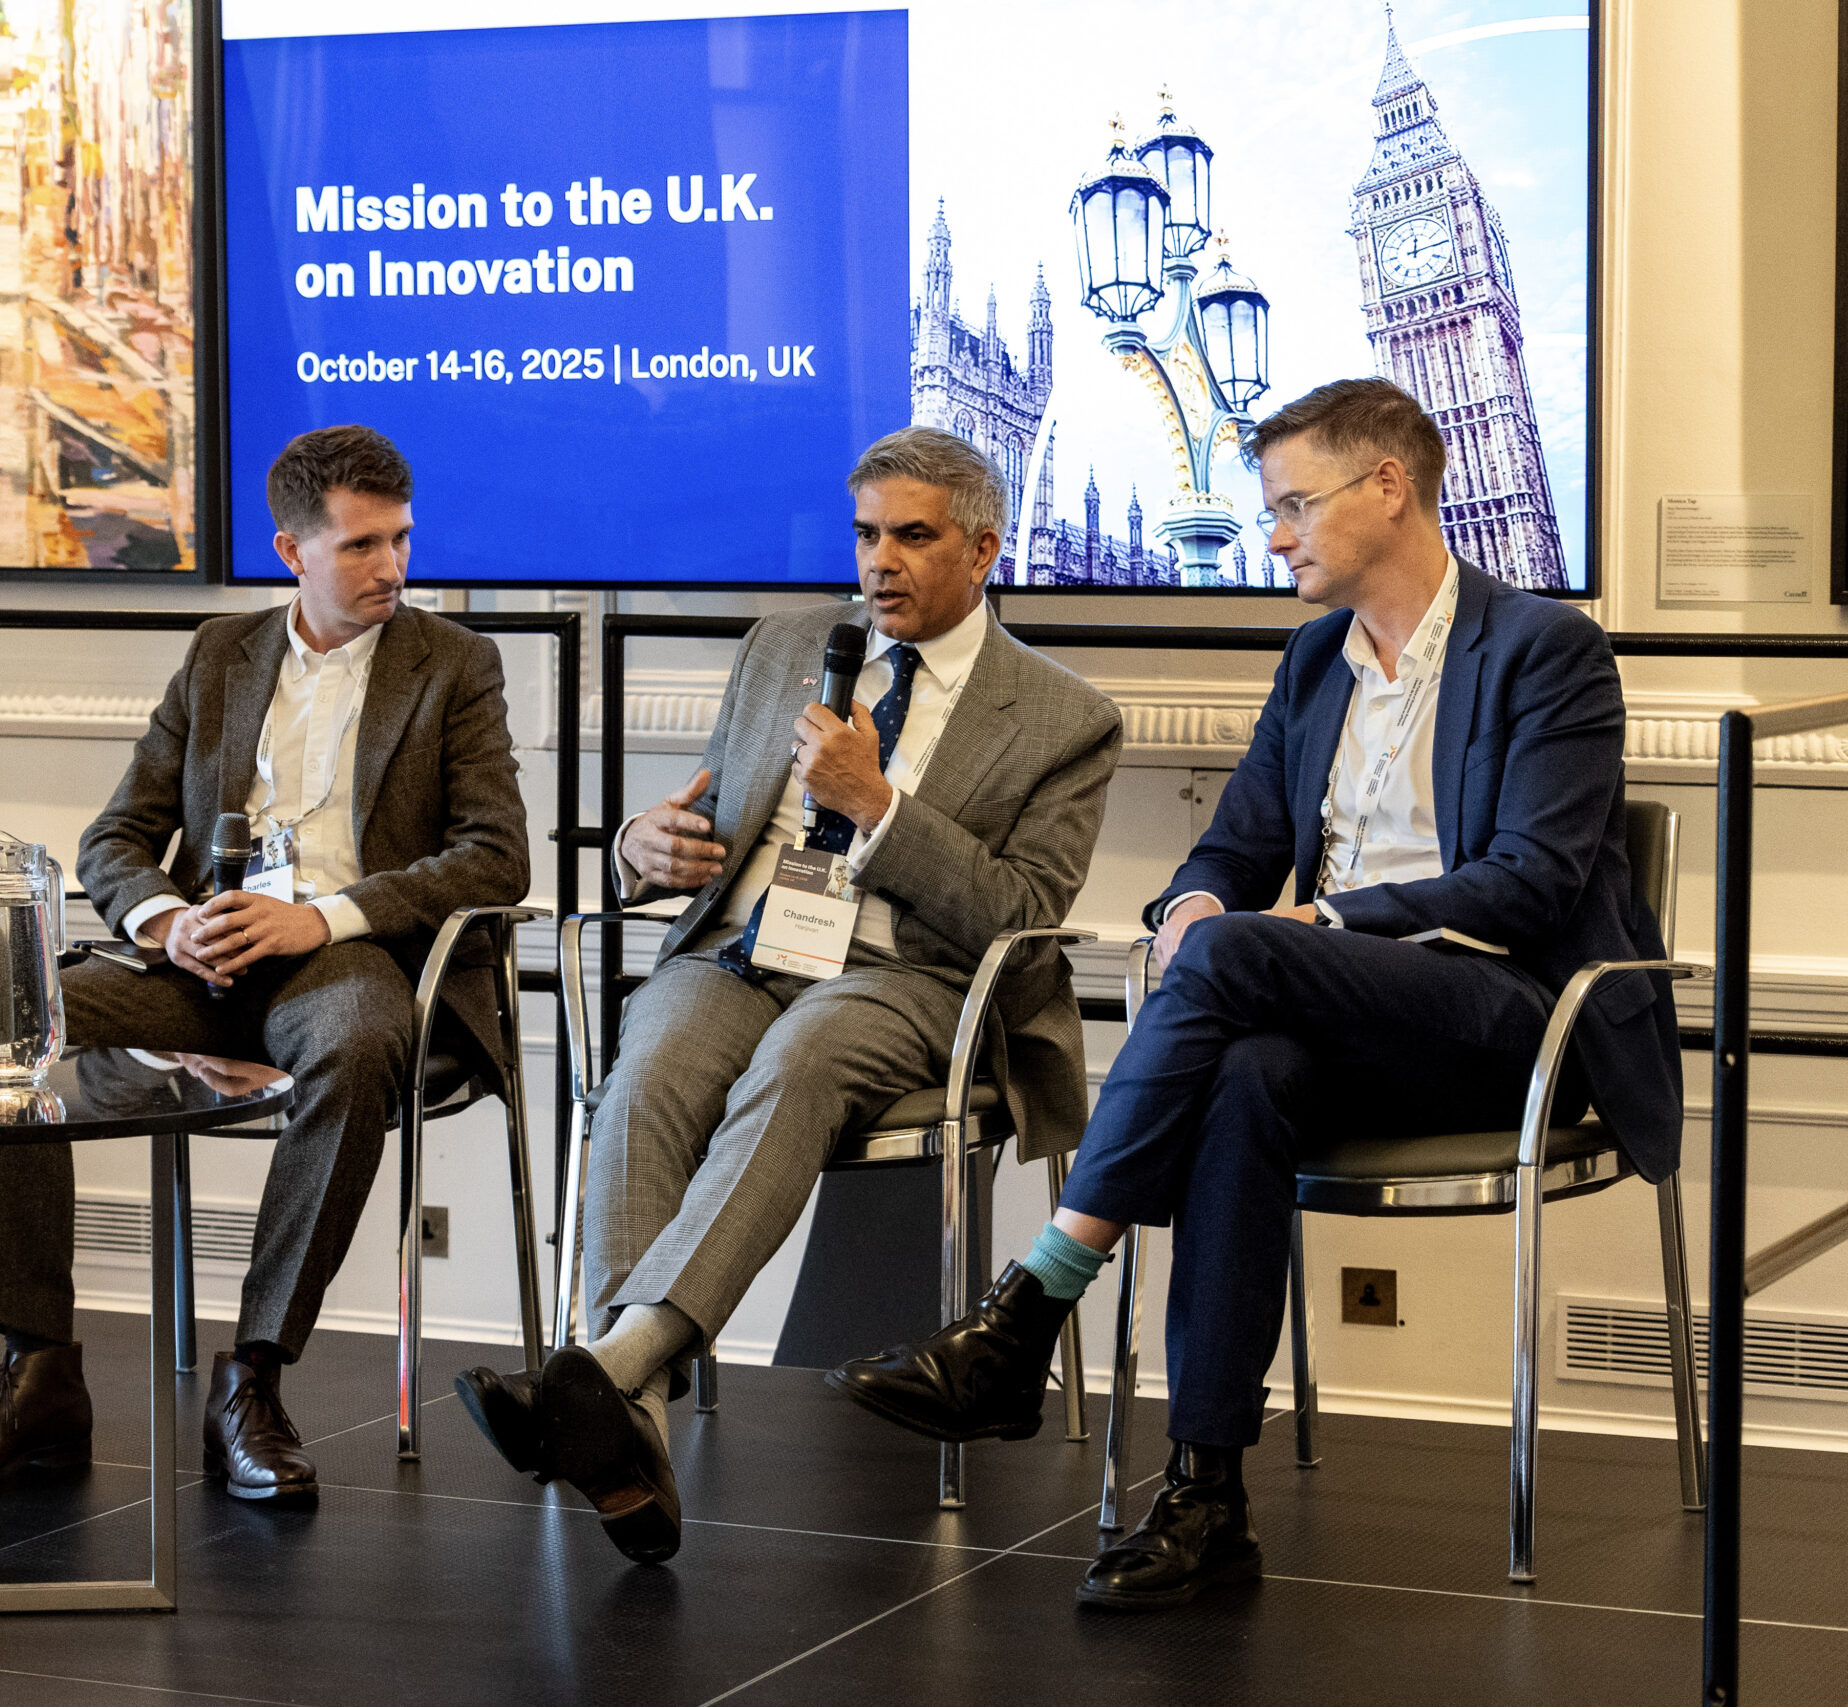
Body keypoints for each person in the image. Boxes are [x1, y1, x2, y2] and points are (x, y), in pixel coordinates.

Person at [830, 378, 1683, 1610]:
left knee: (1242, 958)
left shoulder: (1542, 649)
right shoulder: (1314, 660)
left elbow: (1529, 884)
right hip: (1341, 1020)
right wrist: (1189, 907)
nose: (1272, 535)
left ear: (1387, 488)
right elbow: (1230, 852)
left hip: (1510, 1020)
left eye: (1292, 505)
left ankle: (1030, 1310)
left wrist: (1312, 922)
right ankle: (1205, 1494)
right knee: (1240, 1071)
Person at [453, 426, 1124, 1563]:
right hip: (742, 949)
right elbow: (708, 818)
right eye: (865, 534)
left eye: (912, 537)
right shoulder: (786, 647)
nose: (879, 562)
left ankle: (610, 1368)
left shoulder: (1064, 716)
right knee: (647, 1065)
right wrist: (641, 847)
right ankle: (628, 1418)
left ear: (983, 550)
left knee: (801, 1059)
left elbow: (1019, 920)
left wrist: (878, 807)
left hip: (909, 978)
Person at [0, 424, 531, 1498]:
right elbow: (114, 837)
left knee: (357, 1044)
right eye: (361, 545)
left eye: (400, 539)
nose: (390, 566)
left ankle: (253, 1375)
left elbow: (494, 856)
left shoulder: (454, 664)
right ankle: (38, 1368)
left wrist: (320, 919)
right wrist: (165, 921)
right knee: (3, 1019)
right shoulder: (219, 655)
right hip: (198, 965)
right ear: (292, 551)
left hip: (346, 960)